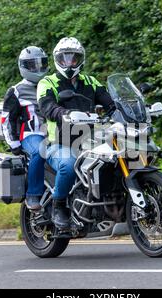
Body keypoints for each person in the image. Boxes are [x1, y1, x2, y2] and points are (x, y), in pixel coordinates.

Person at [37, 37, 115, 231]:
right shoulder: (48, 83)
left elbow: (110, 102)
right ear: (58, 60)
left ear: (81, 60)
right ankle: (59, 206)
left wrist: (123, 109)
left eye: (74, 58)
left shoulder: (90, 81)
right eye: (65, 58)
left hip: (89, 142)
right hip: (58, 143)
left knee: (117, 157)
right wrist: (63, 113)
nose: (69, 63)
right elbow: (48, 107)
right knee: (69, 165)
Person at [2, 46, 48, 210]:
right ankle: (33, 195)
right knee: (40, 150)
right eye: (33, 65)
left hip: (55, 134)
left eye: (41, 64)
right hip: (30, 135)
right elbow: (6, 119)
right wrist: (13, 143)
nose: (38, 68)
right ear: (24, 67)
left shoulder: (51, 85)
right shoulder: (16, 91)